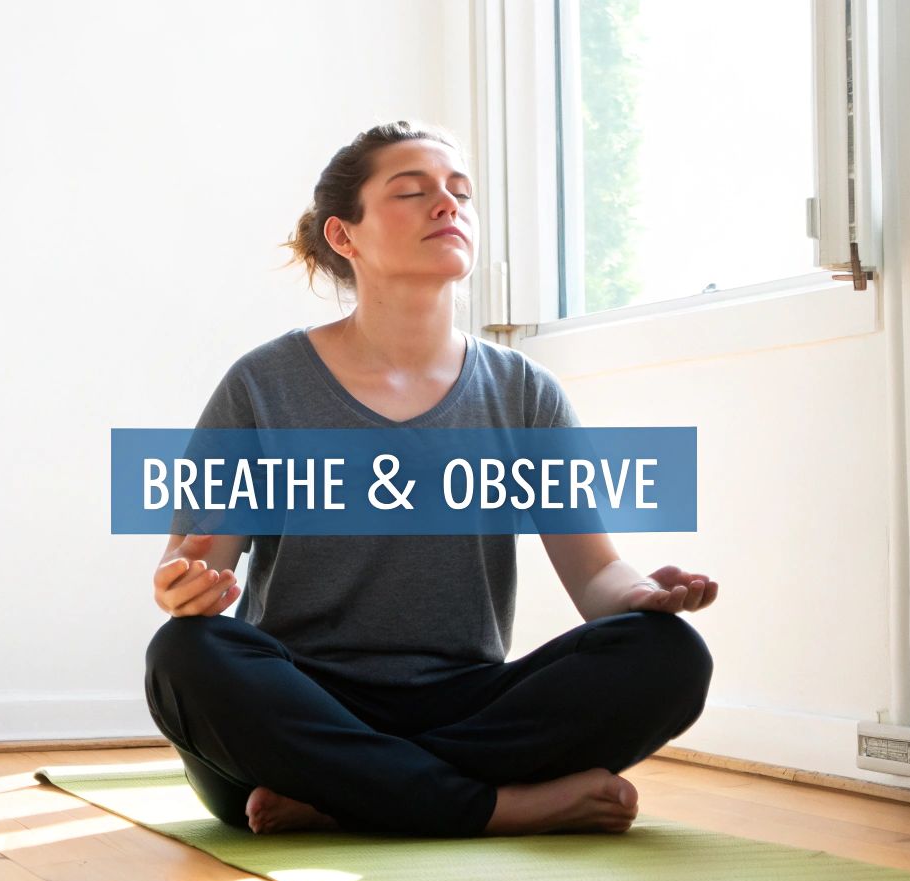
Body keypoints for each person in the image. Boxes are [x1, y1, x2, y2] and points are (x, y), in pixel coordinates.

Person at [145, 120, 716, 839]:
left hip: (464, 705)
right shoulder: (264, 385)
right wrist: (181, 585)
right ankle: (499, 807)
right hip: (302, 703)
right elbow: (194, 560)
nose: (447, 206)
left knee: (667, 654)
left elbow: (594, 574)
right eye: (412, 192)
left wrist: (640, 595)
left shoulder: (525, 393)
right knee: (186, 656)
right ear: (344, 237)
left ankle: (350, 797)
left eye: (460, 194)